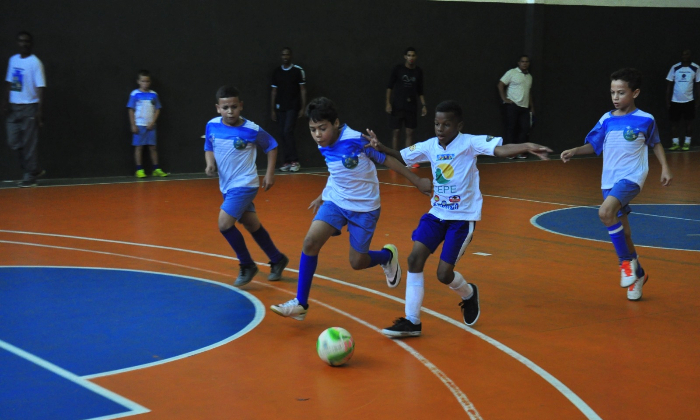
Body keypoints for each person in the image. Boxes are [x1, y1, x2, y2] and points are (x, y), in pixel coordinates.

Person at [368, 100, 552, 337]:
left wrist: (526, 145)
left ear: (459, 126)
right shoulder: (430, 146)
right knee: (414, 259)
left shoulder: (469, 143)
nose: (440, 129)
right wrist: (381, 146)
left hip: (462, 219)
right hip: (437, 214)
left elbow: (500, 150)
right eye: (437, 124)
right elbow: (403, 156)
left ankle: (468, 293)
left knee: (443, 274)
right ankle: (412, 321)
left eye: (446, 124)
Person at [270, 97, 432, 320]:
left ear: (336, 123)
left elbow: (387, 160)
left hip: (365, 207)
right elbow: (336, 172)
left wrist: (417, 180)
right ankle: (301, 303)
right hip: (336, 202)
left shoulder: (356, 140)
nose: (317, 134)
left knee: (357, 262)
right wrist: (323, 195)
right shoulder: (323, 143)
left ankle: (386, 256)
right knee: (310, 242)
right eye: (313, 129)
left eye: (322, 128)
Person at [561, 68, 672, 301]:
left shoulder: (646, 119)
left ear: (635, 93)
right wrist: (575, 150)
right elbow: (594, 145)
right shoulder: (606, 119)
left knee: (605, 212)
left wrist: (665, 167)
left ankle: (625, 264)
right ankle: (638, 275)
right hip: (608, 180)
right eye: (612, 92)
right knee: (625, 232)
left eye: (621, 92)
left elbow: (656, 143)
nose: (615, 97)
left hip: (632, 177)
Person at [205, 85, 289, 287]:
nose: (230, 111)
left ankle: (247, 264)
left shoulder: (251, 129)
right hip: (227, 186)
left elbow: (272, 145)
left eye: (234, 107)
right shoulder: (212, 125)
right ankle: (277, 259)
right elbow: (208, 145)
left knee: (224, 224)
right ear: (218, 108)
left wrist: (270, 174)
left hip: (245, 184)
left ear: (241, 106)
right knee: (252, 224)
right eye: (225, 108)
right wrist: (210, 163)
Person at [3, 31, 46, 188]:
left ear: (31, 43)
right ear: (17, 43)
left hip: (29, 107)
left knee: (29, 144)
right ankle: (34, 170)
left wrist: (39, 111)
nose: (24, 44)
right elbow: (10, 82)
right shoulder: (13, 60)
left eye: (27, 41)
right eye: (21, 41)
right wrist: (5, 102)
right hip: (14, 108)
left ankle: (30, 177)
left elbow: (41, 87)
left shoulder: (35, 63)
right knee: (13, 141)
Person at [270, 47, 306, 172]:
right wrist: (273, 109)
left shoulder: (297, 71)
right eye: (283, 55)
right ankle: (286, 162)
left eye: (287, 54)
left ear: (291, 56)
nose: (285, 57)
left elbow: (303, 90)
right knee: (282, 133)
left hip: (293, 107)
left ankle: (295, 161)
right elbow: (274, 91)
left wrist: (303, 107)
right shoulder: (277, 72)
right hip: (280, 107)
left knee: (287, 131)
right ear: (281, 56)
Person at [386, 47, 427, 156]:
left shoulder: (418, 71)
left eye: (413, 55)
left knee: (410, 132)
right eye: (409, 55)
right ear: (405, 57)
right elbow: (390, 87)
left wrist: (424, 105)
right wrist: (388, 103)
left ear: (416, 57)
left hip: (411, 106)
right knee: (396, 131)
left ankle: (407, 157)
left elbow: (420, 91)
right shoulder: (398, 69)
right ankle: (395, 156)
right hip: (398, 105)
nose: (411, 58)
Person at [127, 70, 168, 178]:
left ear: (150, 82)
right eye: (143, 81)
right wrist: (133, 125)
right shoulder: (134, 94)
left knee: (153, 147)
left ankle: (156, 169)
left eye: (147, 81)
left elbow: (158, 109)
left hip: (151, 126)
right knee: (139, 147)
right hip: (139, 125)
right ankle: (139, 170)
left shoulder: (154, 94)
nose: (145, 83)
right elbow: (131, 109)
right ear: (138, 81)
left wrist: (153, 122)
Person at [497, 55, 534, 159]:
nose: (524, 63)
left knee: (525, 129)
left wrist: (532, 107)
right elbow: (500, 84)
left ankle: (521, 152)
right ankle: (510, 153)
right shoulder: (512, 72)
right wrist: (504, 99)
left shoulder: (529, 77)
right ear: (519, 63)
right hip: (512, 106)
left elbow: (528, 92)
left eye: (526, 62)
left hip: (525, 107)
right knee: (511, 129)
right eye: (522, 61)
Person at [666, 49, 700, 151]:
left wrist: (698, 101)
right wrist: (667, 100)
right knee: (674, 123)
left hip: (689, 101)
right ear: (681, 56)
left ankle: (687, 143)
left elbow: (698, 85)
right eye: (683, 54)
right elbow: (669, 85)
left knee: (688, 123)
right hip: (675, 101)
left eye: (687, 54)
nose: (685, 56)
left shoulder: (696, 68)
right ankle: (675, 143)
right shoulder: (675, 67)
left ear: (690, 55)